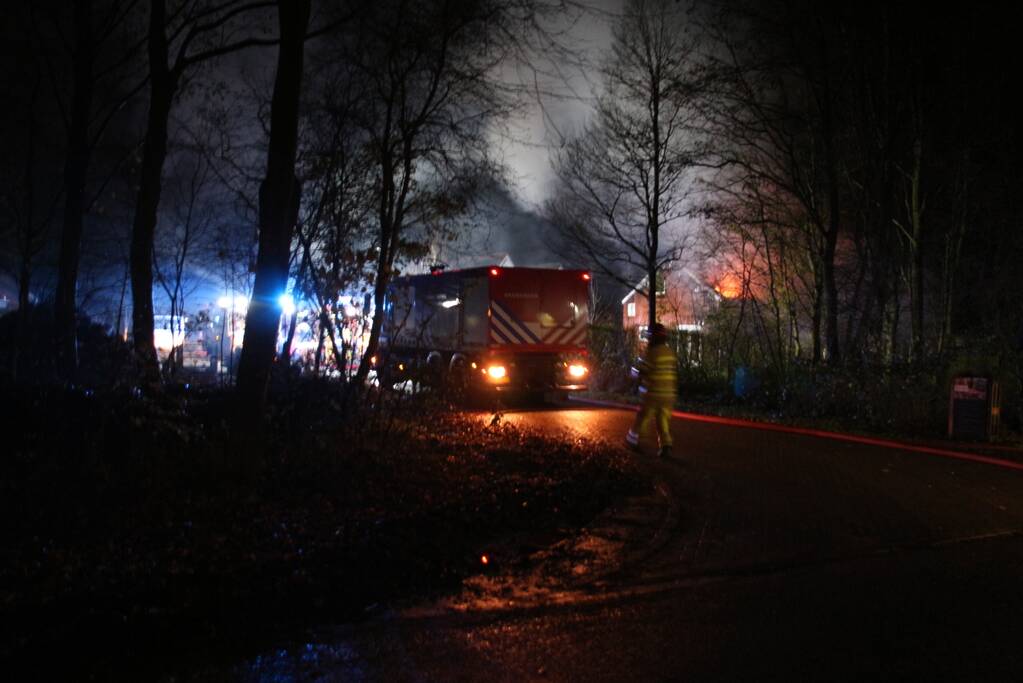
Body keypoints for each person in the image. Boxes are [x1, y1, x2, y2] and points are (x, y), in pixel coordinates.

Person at [626, 322, 678, 458]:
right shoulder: (669, 352)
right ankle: (666, 445)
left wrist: (633, 373)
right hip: (669, 395)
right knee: (663, 421)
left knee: (643, 418)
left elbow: (643, 370)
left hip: (653, 393)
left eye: (649, 336)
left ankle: (632, 441)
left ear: (652, 337)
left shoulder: (651, 353)